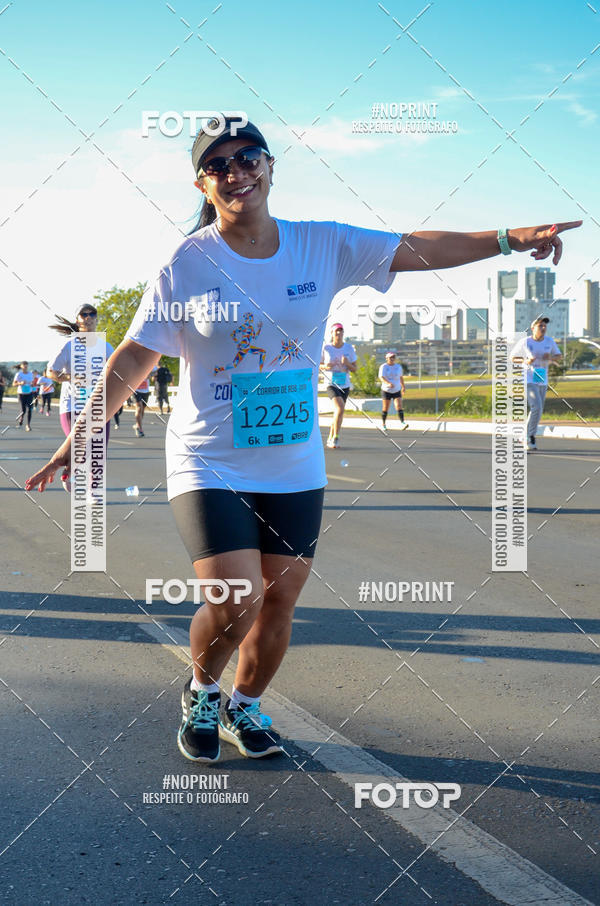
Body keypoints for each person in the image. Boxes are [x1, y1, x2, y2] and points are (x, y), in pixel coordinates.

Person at [25, 114, 581, 764]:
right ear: (203, 183)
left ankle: (245, 704)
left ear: (268, 165)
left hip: (291, 458)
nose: (237, 172)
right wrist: (81, 439)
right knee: (237, 596)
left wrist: (510, 238)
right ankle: (203, 689)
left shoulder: (322, 244)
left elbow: (418, 248)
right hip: (210, 457)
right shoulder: (188, 263)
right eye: (219, 165)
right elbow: (132, 358)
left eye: (248, 157)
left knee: (280, 598)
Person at [46, 305, 114, 488]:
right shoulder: (69, 346)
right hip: (73, 405)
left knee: (98, 450)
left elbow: (117, 371)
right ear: (78, 320)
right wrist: (72, 377)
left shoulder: (105, 346)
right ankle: (72, 473)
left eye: (92, 314)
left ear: (97, 319)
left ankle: (93, 490)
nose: (89, 317)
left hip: (99, 405)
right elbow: (51, 372)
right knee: (79, 447)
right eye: (84, 314)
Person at [513, 316, 562, 451]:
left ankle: (525, 436)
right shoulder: (525, 342)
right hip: (528, 377)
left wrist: (550, 357)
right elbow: (512, 357)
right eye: (540, 326)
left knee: (538, 409)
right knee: (536, 406)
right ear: (533, 328)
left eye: (545, 326)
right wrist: (525, 360)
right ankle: (530, 437)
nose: (543, 328)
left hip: (540, 375)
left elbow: (559, 356)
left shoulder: (549, 341)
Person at [319, 323, 357, 449]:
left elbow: (355, 369)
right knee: (340, 408)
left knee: (338, 412)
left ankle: (330, 438)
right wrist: (326, 366)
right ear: (332, 333)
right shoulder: (326, 348)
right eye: (336, 331)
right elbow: (318, 365)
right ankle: (335, 438)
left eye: (341, 331)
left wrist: (347, 363)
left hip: (344, 384)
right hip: (331, 384)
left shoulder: (349, 348)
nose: (339, 334)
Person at [378, 350, 407, 431]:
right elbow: (381, 377)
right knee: (385, 407)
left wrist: (403, 386)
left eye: (393, 357)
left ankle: (402, 422)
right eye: (390, 357)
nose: (392, 359)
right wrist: (388, 383)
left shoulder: (398, 367)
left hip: (396, 389)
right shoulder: (384, 366)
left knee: (399, 406)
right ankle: (383, 424)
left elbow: (401, 377)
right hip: (386, 390)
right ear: (386, 358)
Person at [13, 361, 34, 430]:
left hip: (29, 393)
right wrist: (20, 383)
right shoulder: (19, 374)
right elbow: (14, 384)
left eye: (26, 365)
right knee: (23, 410)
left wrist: (32, 385)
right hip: (21, 394)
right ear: (21, 366)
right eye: (24, 365)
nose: (25, 366)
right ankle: (21, 420)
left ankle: (28, 425)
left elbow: (33, 383)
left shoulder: (30, 374)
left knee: (29, 409)